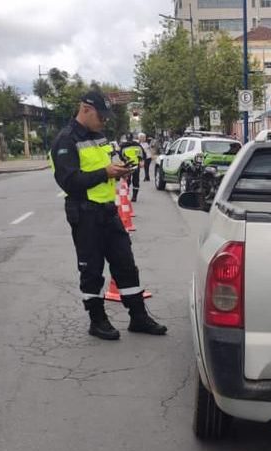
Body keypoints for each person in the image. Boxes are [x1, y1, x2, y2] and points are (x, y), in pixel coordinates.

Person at [50, 90, 167, 340]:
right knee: (91, 270)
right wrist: (106, 173)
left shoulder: (99, 136)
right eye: (100, 116)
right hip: (84, 213)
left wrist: (121, 168)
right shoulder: (65, 140)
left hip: (108, 210)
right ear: (85, 109)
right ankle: (97, 320)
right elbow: (69, 181)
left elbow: (108, 164)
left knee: (125, 264)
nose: (104, 121)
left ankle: (138, 316)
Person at [121, 137, 144, 202]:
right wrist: (141, 161)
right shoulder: (138, 146)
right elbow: (142, 155)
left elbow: (121, 156)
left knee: (127, 181)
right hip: (136, 165)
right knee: (136, 181)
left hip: (127, 166)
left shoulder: (123, 147)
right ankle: (134, 197)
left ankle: (126, 196)